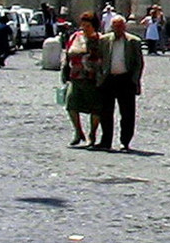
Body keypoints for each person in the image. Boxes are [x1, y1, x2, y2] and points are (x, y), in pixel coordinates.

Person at [97, 16, 145, 152]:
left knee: (127, 113)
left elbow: (138, 63)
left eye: (120, 26)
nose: (117, 29)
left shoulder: (133, 41)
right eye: (114, 26)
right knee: (105, 113)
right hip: (108, 79)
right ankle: (106, 141)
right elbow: (99, 58)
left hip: (126, 80)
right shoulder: (104, 40)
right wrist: (100, 76)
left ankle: (125, 142)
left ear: (124, 27)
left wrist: (134, 80)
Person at [61, 12, 105, 146]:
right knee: (70, 105)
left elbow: (104, 57)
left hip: (92, 78)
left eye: (87, 25)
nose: (84, 28)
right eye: (83, 25)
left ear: (94, 26)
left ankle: (92, 134)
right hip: (75, 76)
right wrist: (64, 70)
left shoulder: (100, 39)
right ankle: (78, 132)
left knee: (95, 108)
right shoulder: (75, 36)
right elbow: (67, 53)